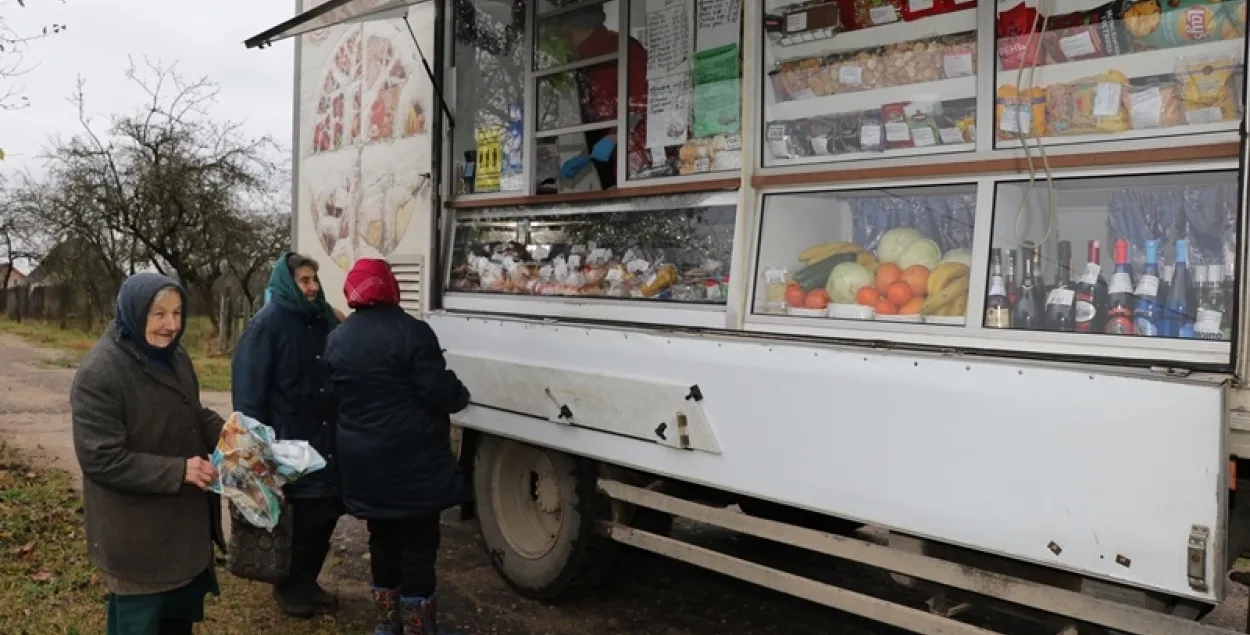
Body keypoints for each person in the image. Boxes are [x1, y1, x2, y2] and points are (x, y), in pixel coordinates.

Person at [70, 273, 225, 635]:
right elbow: (101, 458)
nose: (171, 325)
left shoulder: (176, 356)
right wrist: (179, 472)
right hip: (137, 539)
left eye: (177, 312)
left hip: (181, 531)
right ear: (133, 311)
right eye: (158, 314)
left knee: (176, 624)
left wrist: (230, 436)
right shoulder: (100, 373)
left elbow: (192, 413)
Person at [325, 258, 470, 635]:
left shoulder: (338, 337)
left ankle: (386, 626)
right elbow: (439, 391)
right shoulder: (413, 332)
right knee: (418, 547)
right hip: (412, 462)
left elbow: (334, 396)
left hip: (363, 463)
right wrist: (459, 393)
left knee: (382, 540)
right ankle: (420, 628)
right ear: (389, 286)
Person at [231, 252, 343, 618]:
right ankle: (288, 585)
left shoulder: (324, 318)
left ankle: (307, 580)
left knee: (326, 512)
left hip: (325, 436)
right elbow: (249, 392)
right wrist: (257, 447)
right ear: (286, 283)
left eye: (314, 280)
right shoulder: (268, 324)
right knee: (301, 515)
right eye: (304, 281)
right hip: (289, 441)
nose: (312, 288)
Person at [557, 4, 650, 189]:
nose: (568, 44)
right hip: (614, 163)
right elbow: (601, 122)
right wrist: (585, 156)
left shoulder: (621, 48)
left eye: (570, 36)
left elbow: (642, 102)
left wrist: (612, 138)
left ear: (588, 28)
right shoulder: (586, 64)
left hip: (639, 155)